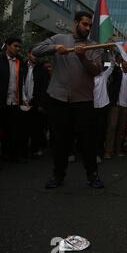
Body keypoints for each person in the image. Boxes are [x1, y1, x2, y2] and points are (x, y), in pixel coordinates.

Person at [32, 11, 104, 189]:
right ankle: (58, 176)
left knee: (88, 141)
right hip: (59, 99)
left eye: (89, 25)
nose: (87, 28)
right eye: (84, 24)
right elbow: (35, 50)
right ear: (76, 23)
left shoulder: (93, 47)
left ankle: (92, 175)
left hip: (83, 101)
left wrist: (81, 56)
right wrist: (55, 48)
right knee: (61, 141)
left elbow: (95, 71)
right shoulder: (59, 38)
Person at [0, 37, 26, 164]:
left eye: (19, 47)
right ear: (8, 46)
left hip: (14, 102)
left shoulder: (20, 61)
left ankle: (11, 155)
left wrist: (23, 99)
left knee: (13, 131)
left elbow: (21, 82)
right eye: (15, 46)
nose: (18, 49)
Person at [105, 58, 127, 158]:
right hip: (115, 105)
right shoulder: (117, 73)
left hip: (125, 106)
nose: (126, 64)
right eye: (125, 62)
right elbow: (114, 68)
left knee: (121, 129)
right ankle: (108, 151)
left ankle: (118, 150)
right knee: (112, 128)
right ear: (121, 63)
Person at [94, 54, 115, 163]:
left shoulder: (104, 75)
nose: (99, 66)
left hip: (103, 106)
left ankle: (98, 153)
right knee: (91, 131)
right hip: (92, 107)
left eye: (100, 65)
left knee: (101, 130)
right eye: (96, 65)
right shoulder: (89, 77)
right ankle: (90, 153)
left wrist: (110, 52)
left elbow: (112, 66)